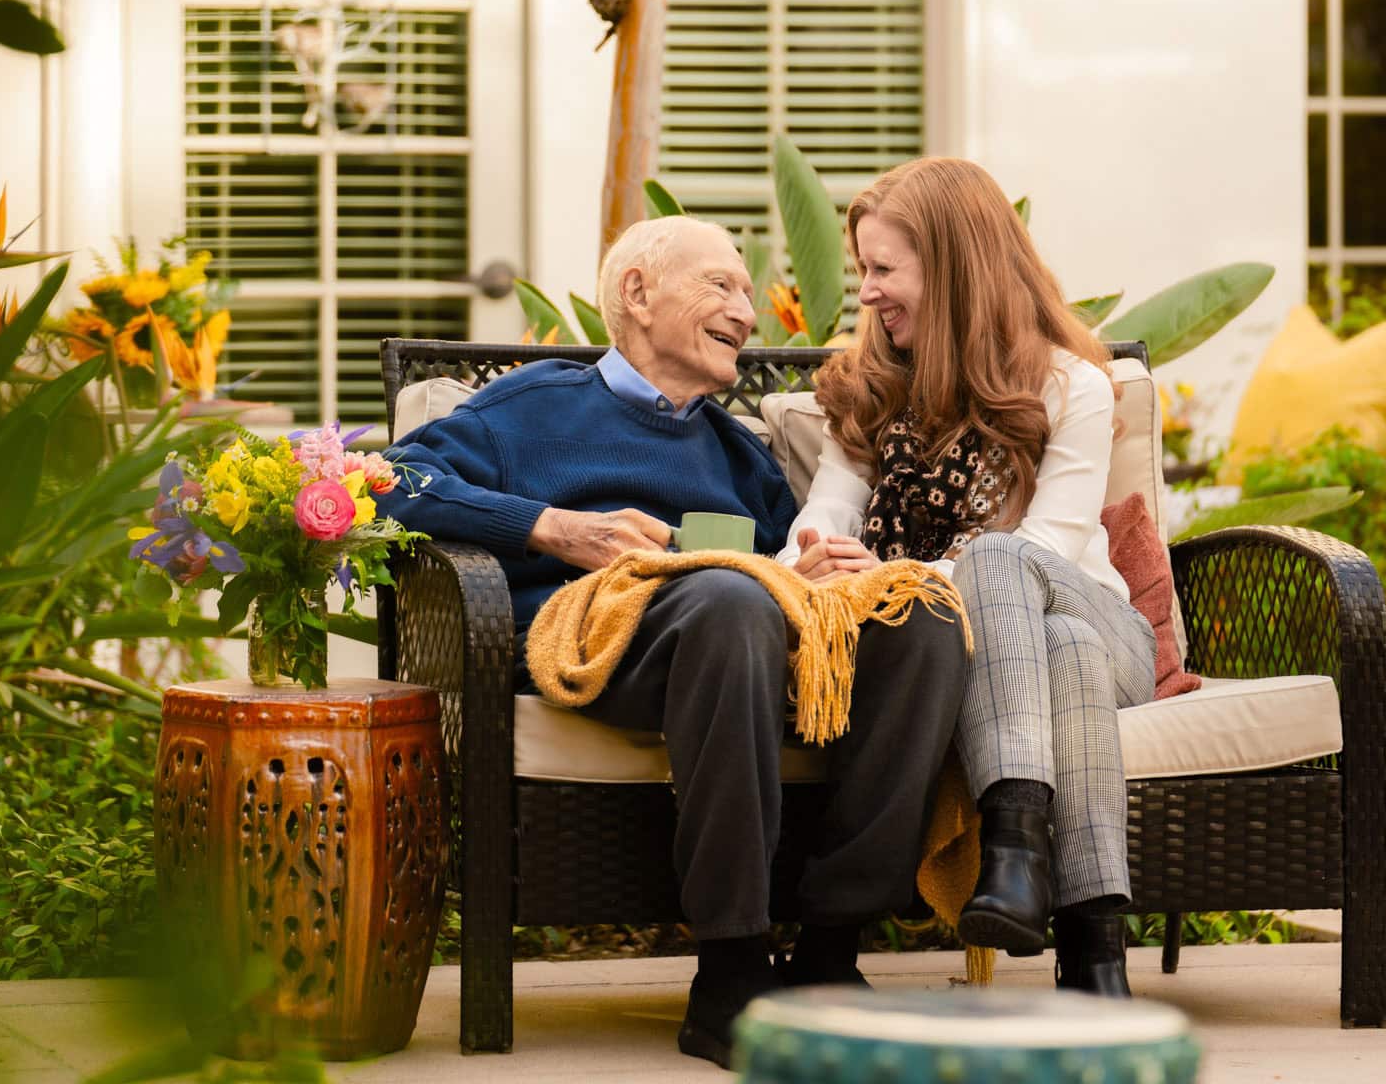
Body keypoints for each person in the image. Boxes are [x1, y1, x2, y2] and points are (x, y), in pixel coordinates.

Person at [378, 215, 969, 1067]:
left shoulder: (739, 454)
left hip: (731, 639)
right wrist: (549, 526)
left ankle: (829, 959)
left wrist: (814, 580)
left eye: (746, 293)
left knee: (921, 620)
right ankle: (728, 973)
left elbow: (778, 581)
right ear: (638, 292)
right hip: (584, 640)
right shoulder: (529, 405)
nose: (747, 312)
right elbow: (390, 483)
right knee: (730, 599)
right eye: (722, 285)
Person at [778, 158, 1157, 996]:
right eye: (863, 270)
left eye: (884, 269)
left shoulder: (1071, 386)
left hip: (1105, 626)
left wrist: (898, 574)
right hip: (1038, 658)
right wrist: (810, 557)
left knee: (1003, 562)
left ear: (951, 268)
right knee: (1062, 652)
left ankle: (1017, 841)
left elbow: (1052, 547)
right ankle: (1094, 960)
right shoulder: (870, 392)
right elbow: (828, 512)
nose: (867, 293)